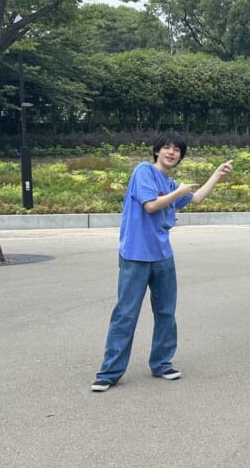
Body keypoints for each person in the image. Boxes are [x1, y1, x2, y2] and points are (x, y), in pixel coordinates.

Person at [92, 133, 233, 392]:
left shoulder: (170, 183)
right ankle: (109, 372)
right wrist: (178, 191)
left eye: (177, 149)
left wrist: (216, 175)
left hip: (162, 256)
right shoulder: (143, 171)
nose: (171, 152)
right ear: (156, 151)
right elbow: (151, 206)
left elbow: (196, 198)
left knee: (166, 312)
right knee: (125, 313)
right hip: (135, 255)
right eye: (166, 147)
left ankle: (162, 363)